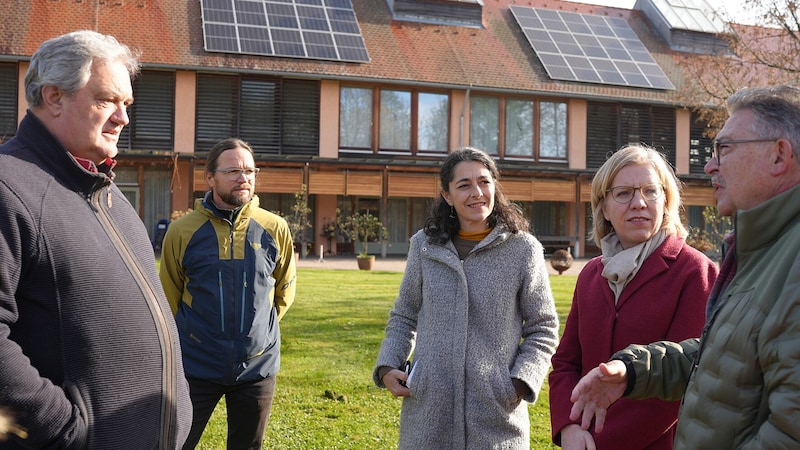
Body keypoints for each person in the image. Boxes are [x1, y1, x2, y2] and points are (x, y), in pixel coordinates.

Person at [569, 85, 800, 448]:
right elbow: (715, 357)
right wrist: (631, 370)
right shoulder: (759, 254)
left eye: (723, 149)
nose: (709, 165)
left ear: (779, 156)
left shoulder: (722, 266)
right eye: (624, 193)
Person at [0, 30, 192, 448]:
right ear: (54, 97)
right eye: (107, 100)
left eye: (126, 104)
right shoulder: (8, 186)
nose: (123, 118)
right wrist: (61, 430)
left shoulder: (106, 192)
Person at [373, 147, 560, 449]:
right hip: (429, 413)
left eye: (484, 182)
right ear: (447, 195)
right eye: (464, 185)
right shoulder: (424, 246)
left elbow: (543, 326)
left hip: (496, 416)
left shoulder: (523, 249)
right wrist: (387, 366)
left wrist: (519, 382)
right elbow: (404, 315)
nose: (477, 192)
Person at [548, 145, 718, 450]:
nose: (639, 203)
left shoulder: (695, 271)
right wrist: (569, 425)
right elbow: (565, 363)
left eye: (650, 191)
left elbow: (684, 377)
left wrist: (599, 442)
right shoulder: (589, 274)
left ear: (666, 201)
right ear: (604, 208)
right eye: (624, 193)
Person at [159, 137, 297, 450]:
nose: (243, 177)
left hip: (257, 367)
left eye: (249, 170)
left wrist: (256, 335)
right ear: (210, 177)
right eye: (233, 171)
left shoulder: (275, 228)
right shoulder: (182, 232)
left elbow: (284, 290)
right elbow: (169, 296)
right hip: (195, 366)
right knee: (174, 443)